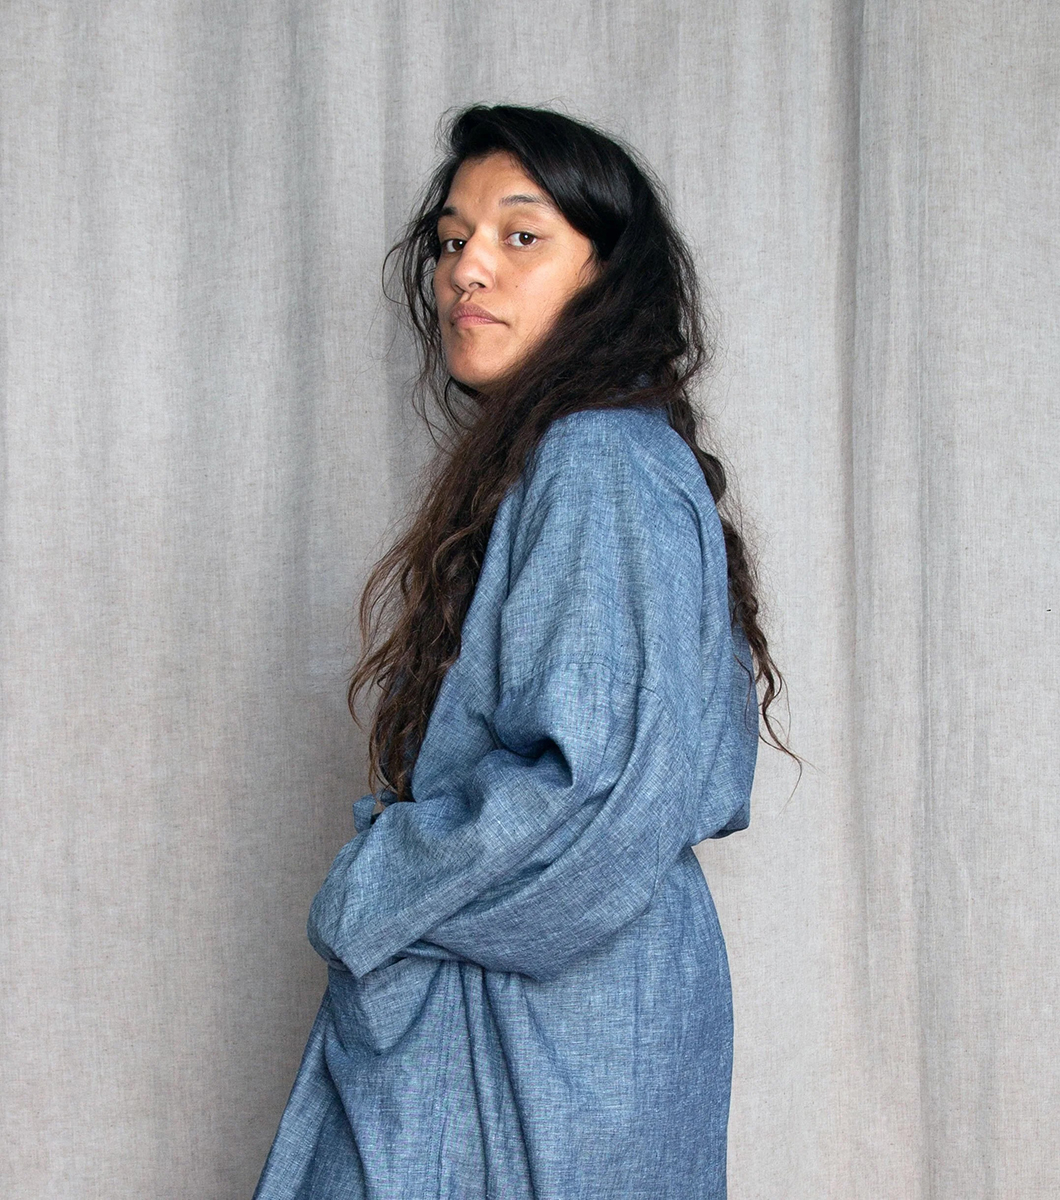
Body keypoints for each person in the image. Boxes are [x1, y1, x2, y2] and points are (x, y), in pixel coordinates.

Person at [253, 103, 795, 1200]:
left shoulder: (598, 461)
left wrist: (375, 886)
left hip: (551, 1018)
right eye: (453, 240)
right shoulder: (604, 455)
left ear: (608, 274)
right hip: (586, 1000)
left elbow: (589, 793)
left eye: (520, 235)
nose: (467, 271)